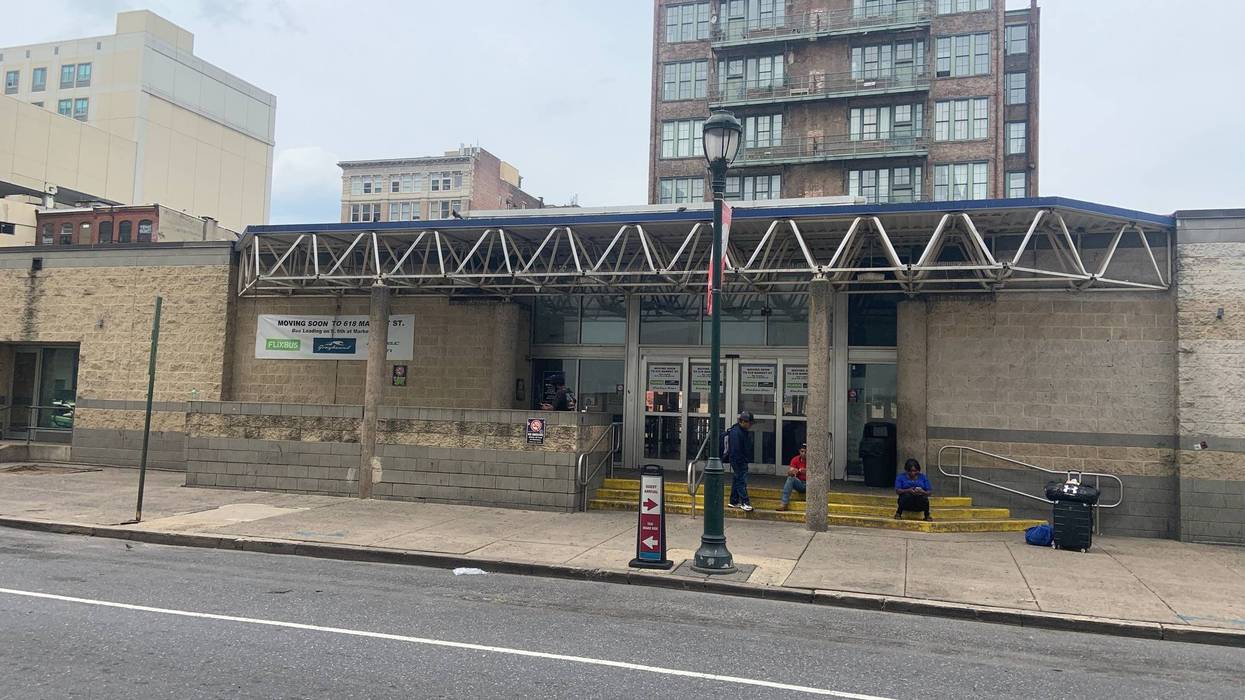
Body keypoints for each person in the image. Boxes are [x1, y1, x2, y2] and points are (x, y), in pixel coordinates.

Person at [724, 411, 754, 512]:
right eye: (749, 423)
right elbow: (737, 449)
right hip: (738, 460)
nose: (750, 425)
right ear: (743, 422)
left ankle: (733, 500)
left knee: (737, 479)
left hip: (738, 459)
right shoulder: (737, 432)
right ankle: (745, 502)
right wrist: (742, 461)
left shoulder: (738, 430)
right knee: (741, 480)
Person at [777, 443, 807, 511]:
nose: (804, 453)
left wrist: (808, 472)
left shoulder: (813, 461)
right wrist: (793, 472)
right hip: (800, 484)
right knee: (790, 478)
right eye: (802, 451)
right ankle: (784, 503)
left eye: (805, 452)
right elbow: (789, 473)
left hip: (810, 484)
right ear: (799, 451)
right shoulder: (795, 459)